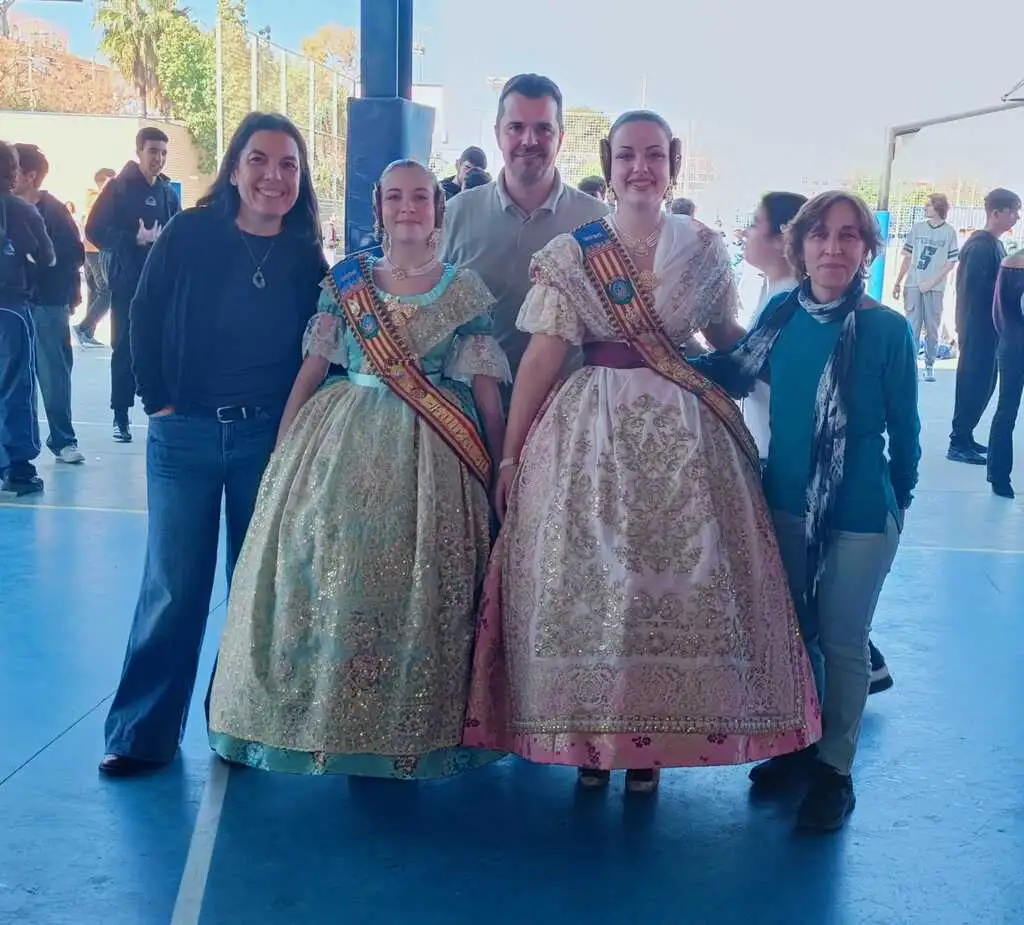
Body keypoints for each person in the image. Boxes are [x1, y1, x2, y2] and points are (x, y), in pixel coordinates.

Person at [464, 111, 820, 797]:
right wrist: (510, 456)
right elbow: (542, 357)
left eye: (654, 155)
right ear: (609, 162)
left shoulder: (704, 248)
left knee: (671, 587)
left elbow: (724, 336)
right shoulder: (572, 253)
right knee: (599, 586)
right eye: (627, 155)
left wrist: (798, 352)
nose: (640, 168)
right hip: (588, 433)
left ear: (672, 163)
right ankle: (594, 740)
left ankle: (647, 745)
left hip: (686, 437)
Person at [208, 159, 509, 779]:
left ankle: (410, 727)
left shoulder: (463, 289)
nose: (407, 207)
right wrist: (283, 453)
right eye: (395, 196)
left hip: (436, 453)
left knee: (423, 583)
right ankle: (331, 721)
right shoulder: (346, 283)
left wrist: (501, 465)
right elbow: (314, 370)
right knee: (336, 576)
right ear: (378, 207)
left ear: (438, 208)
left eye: (420, 197)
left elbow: (485, 392)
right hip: (340, 439)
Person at [99, 113, 328, 777]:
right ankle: (141, 733)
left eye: (288, 165)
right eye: (259, 160)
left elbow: (324, 344)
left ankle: (237, 725)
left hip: (266, 438)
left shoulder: (304, 254)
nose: (273, 176)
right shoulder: (191, 233)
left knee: (254, 589)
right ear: (234, 168)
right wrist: (158, 401)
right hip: (186, 435)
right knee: (173, 586)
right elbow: (143, 312)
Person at [695, 191, 921, 831]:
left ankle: (834, 771)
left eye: (850, 236)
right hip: (784, 506)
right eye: (820, 234)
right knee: (796, 637)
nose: (834, 248)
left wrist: (894, 507)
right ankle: (798, 744)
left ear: (866, 249)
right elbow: (733, 373)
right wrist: (649, 360)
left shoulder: (887, 330)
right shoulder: (781, 315)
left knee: (844, 643)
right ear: (799, 245)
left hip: (860, 517)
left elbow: (906, 437)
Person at [441, 74, 608, 391]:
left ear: (561, 137)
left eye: (544, 129)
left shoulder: (597, 222)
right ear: (497, 133)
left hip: (563, 409)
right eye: (516, 127)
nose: (529, 140)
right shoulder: (455, 215)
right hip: (467, 409)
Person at [85, 127, 181, 444]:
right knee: (125, 348)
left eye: (163, 153)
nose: (158, 158)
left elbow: (179, 232)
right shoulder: (118, 188)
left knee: (163, 345)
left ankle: (163, 409)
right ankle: (120, 415)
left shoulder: (168, 193)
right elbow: (94, 230)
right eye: (153, 151)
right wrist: (133, 239)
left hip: (161, 284)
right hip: (127, 283)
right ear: (139, 151)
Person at [14, 143, 86, 465]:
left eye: (13, 169)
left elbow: (74, 255)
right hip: (13, 306)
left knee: (53, 376)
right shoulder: (6, 207)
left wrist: (45, 271)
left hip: (47, 305)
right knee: (14, 378)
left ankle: (63, 439)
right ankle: (16, 448)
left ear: (30, 176)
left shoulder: (53, 211)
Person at [947, 188, 1020, 464]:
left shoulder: (995, 245)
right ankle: (958, 441)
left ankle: (966, 436)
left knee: (985, 384)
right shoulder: (980, 246)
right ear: (996, 213)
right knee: (973, 382)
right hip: (977, 327)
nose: (1016, 217)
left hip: (990, 329)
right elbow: (977, 292)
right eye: (1013, 211)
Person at [0, 141, 55, 496]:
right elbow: (48, 257)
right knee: (15, 387)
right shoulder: (22, 210)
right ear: (12, 172)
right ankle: (17, 468)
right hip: (10, 309)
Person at [892, 193, 959, 383]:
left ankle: (929, 364)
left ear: (938, 207)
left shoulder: (949, 232)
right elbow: (907, 257)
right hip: (913, 283)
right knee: (912, 325)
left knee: (932, 327)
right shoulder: (917, 228)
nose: (925, 208)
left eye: (929, 205)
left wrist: (931, 281)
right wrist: (898, 281)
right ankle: (911, 365)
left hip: (935, 287)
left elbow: (951, 262)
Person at [987, 250, 1024, 498]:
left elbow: (998, 315)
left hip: (1010, 345)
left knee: (1006, 410)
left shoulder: (1007, 264)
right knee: (1006, 411)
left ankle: (998, 476)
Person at [74, 167, 116, 348]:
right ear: (103, 181)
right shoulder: (99, 199)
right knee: (107, 293)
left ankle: (88, 332)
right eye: (112, 180)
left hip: (89, 250)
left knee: (95, 292)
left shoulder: (91, 198)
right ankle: (82, 328)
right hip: (96, 251)